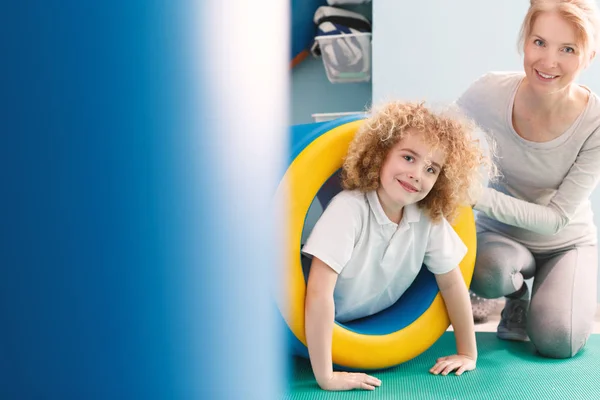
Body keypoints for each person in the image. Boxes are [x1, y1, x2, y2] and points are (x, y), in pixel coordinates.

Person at [302, 101, 486, 391]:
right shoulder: (349, 210)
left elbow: (453, 285)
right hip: (310, 313)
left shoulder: (427, 220)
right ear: (381, 154)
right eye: (409, 158)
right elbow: (317, 293)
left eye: (431, 169)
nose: (417, 174)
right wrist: (326, 376)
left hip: (366, 320)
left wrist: (467, 352)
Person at [457, 0, 600, 358]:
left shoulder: (596, 122)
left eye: (567, 49)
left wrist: (478, 196)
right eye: (539, 43)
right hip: (501, 237)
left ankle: (546, 301)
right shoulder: (487, 92)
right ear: (525, 41)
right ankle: (517, 298)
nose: (548, 61)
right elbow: (435, 137)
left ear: (590, 55)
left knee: (558, 340)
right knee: (487, 272)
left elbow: (555, 219)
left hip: (565, 242)